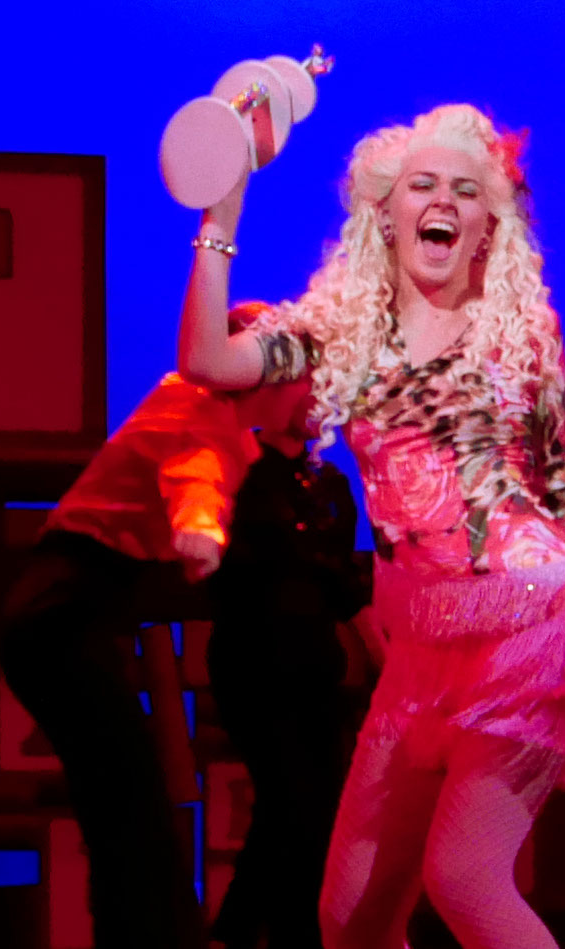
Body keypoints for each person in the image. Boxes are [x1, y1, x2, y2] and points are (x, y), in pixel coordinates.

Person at [176, 103, 565, 949]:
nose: (442, 200)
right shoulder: (341, 330)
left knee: (464, 875)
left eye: (465, 188)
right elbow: (207, 360)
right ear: (386, 211)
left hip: (530, 621)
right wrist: (220, 215)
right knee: (350, 915)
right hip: (419, 649)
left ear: (489, 222)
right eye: (422, 184)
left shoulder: (520, 334)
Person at [0, 327, 319, 949]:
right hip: (59, 615)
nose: (314, 392)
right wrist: (200, 533)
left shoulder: (223, 425)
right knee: (128, 805)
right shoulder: (199, 413)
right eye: (306, 379)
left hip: (72, 616)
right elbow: (195, 474)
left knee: (127, 803)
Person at [204, 310, 370, 949]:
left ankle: (276, 933)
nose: (316, 397)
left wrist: (387, 664)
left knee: (317, 814)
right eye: (304, 383)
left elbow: (346, 588)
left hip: (316, 673)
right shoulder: (236, 469)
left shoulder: (330, 485)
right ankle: (238, 933)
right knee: (288, 804)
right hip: (255, 665)